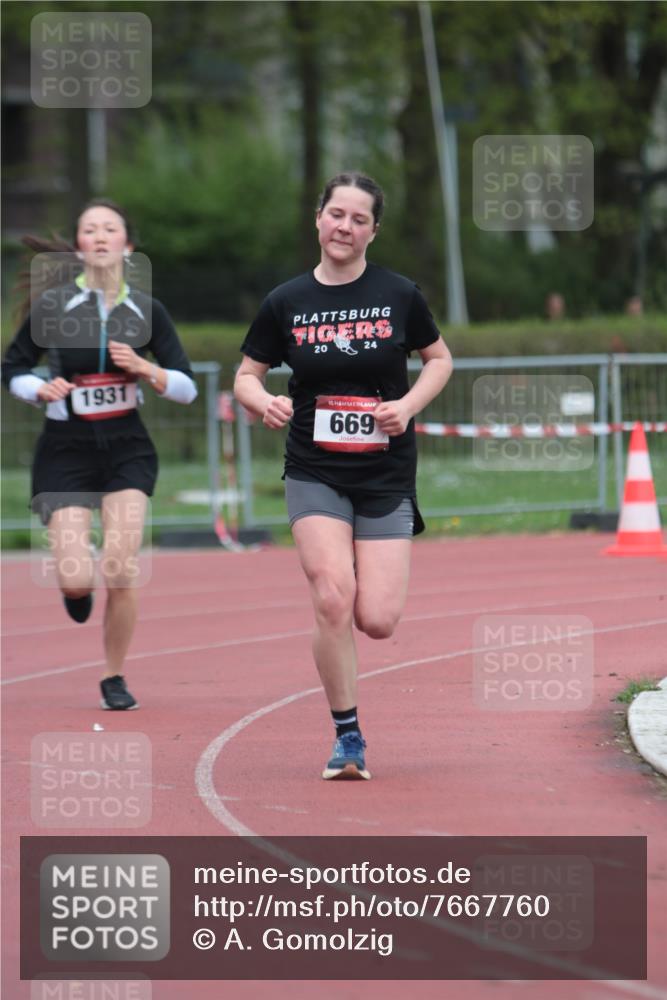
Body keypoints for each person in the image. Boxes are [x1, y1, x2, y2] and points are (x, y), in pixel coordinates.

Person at [234, 172, 452, 780]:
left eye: (359, 219)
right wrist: (263, 401)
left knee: (376, 619)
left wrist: (407, 405)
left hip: (384, 471)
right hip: (314, 467)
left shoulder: (399, 294)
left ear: (373, 232)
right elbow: (246, 375)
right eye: (336, 214)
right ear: (318, 219)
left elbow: (439, 360)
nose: (344, 227)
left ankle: (360, 564)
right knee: (332, 594)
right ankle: (347, 736)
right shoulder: (285, 301)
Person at [2, 199, 198, 710]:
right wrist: (37, 388)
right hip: (64, 451)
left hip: (127, 450)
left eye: (111, 229)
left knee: (121, 566)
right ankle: (76, 589)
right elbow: (12, 369)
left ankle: (114, 676)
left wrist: (147, 369)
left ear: (128, 247)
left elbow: (186, 387)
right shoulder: (54, 307)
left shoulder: (148, 311)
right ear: (80, 246)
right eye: (90, 230)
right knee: (75, 579)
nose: (101, 236)